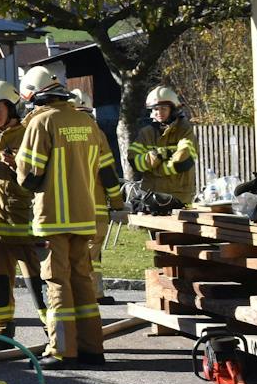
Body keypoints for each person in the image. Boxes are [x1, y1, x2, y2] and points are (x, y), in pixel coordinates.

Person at [16, 67, 120, 367]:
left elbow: (30, 177)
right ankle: (92, 348)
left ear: (34, 97)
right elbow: (105, 170)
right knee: (82, 281)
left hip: (53, 219)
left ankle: (62, 350)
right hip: (85, 217)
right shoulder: (86, 122)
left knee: (57, 282)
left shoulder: (42, 122)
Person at [0, 80, 46, 346]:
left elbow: (41, 174)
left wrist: (17, 161)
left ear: (11, 107)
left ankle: (52, 331)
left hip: (24, 223)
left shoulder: (29, 134)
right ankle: (1, 332)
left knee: (37, 282)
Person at [72, 87, 125, 304]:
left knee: (77, 252)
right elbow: (107, 173)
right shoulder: (96, 133)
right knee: (92, 253)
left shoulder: (59, 131)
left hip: (66, 206)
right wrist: (117, 202)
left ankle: (90, 292)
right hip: (95, 205)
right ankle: (90, 294)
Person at [128, 85, 197, 206]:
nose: (159, 113)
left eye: (163, 108)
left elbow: (182, 161)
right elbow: (134, 161)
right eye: (155, 109)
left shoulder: (185, 130)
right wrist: (157, 155)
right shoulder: (146, 133)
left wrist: (153, 168)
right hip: (150, 196)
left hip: (178, 197)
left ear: (173, 109)